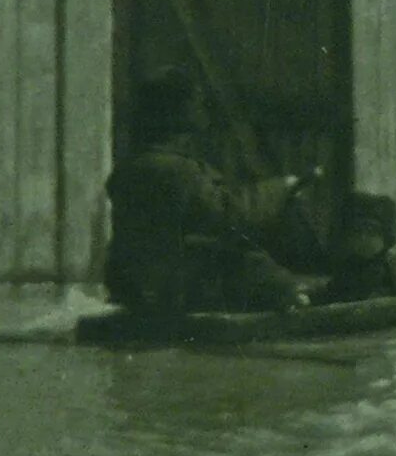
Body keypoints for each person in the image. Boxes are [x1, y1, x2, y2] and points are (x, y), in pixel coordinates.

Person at [102, 69, 311, 316]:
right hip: (173, 290)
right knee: (249, 262)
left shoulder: (134, 167)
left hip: (135, 285)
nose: (204, 110)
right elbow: (231, 215)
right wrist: (282, 188)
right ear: (180, 114)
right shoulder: (177, 170)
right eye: (197, 104)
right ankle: (297, 299)